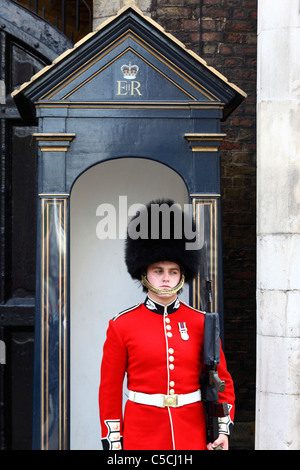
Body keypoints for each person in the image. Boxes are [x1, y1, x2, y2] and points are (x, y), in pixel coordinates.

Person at [99, 199, 235, 450]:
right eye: (158, 270)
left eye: (173, 271)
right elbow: (109, 391)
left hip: (191, 434)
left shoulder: (201, 322)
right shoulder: (122, 325)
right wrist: (113, 439)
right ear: (144, 274)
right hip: (142, 434)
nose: (165, 278)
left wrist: (223, 429)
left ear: (183, 275)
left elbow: (221, 380)